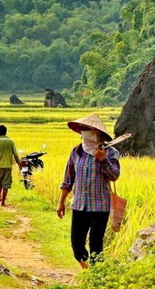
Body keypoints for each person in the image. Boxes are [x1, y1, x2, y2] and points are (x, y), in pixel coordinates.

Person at [56, 113, 121, 269]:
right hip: (79, 205)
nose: (84, 131)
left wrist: (102, 159)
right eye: (83, 128)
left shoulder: (110, 152)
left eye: (88, 128)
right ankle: (87, 269)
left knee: (96, 245)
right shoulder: (76, 151)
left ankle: (96, 277)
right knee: (77, 246)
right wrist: (61, 203)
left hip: (100, 207)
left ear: (97, 132)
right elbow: (68, 179)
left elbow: (114, 176)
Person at [0, 124, 20, 206]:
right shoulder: (11, 141)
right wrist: (19, 164)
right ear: (6, 132)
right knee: (6, 184)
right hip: (8, 166)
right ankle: (3, 202)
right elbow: (16, 154)